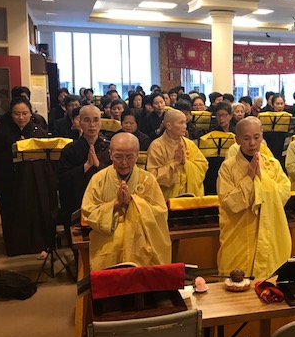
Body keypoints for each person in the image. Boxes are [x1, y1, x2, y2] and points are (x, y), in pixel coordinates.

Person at [81, 133, 171, 271]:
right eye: (118, 157)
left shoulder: (148, 180)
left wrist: (133, 202)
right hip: (108, 244)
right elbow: (88, 212)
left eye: (129, 157)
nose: (124, 163)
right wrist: (115, 204)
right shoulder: (98, 179)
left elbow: (161, 213)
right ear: (110, 154)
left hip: (140, 243)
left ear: (137, 155)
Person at [216, 117, 292, 278]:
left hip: (268, 234)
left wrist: (262, 180)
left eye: (256, 137)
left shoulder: (272, 164)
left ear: (262, 136)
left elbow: (284, 192)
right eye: (246, 138)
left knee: (269, 284)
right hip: (239, 238)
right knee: (237, 284)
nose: (252, 143)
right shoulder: (227, 168)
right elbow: (229, 203)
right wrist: (249, 178)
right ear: (237, 140)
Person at [0, 97, 49, 255]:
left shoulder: (38, 131)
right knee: (15, 214)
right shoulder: (2, 134)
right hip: (12, 181)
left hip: (34, 181)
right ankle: (17, 247)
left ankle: (39, 244)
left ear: (31, 113)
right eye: (16, 113)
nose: (21, 117)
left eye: (25, 113)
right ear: (11, 114)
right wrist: (15, 150)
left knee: (36, 212)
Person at [57, 105, 111, 232]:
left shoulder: (109, 148)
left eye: (96, 120)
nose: (92, 125)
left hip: (103, 201)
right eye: (87, 120)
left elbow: (115, 175)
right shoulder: (70, 149)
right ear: (79, 122)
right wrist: (85, 167)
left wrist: (98, 165)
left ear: (101, 122)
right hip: (76, 200)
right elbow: (61, 179)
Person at [146, 109, 208, 199]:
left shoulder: (189, 144)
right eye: (181, 123)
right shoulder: (156, 146)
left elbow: (203, 165)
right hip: (166, 199)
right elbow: (152, 176)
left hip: (190, 196)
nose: (185, 126)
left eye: (185, 122)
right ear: (169, 126)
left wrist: (185, 162)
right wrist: (175, 163)